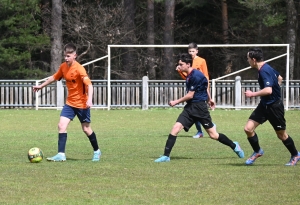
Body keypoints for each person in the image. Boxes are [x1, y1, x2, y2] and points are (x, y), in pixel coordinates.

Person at [154, 53, 244, 162]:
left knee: (214, 135)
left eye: (181, 64)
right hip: (190, 107)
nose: (179, 66)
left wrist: (175, 102)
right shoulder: (189, 74)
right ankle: (166, 156)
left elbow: (190, 95)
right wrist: (210, 99)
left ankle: (234, 145)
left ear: (188, 64)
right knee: (175, 128)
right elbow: (204, 86)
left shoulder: (196, 76)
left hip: (200, 108)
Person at [33, 43, 101, 162]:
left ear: (75, 55)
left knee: (86, 129)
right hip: (70, 103)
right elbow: (54, 77)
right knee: (61, 126)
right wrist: (41, 86)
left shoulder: (80, 69)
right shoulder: (63, 67)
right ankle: (61, 154)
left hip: (82, 104)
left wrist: (89, 99)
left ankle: (97, 151)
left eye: (68, 56)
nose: (66, 58)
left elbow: (89, 85)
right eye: (65, 56)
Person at [244, 47, 300, 166]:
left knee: (281, 135)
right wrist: (277, 88)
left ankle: (295, 154)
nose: (247, 61)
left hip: (274, 107)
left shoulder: (264, 71)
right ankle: (257, 151)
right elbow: (279, 78)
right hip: (264, 105)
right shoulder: (266, 67)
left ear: (254, 60)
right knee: (248, 129)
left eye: (248, 59)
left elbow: (268, 90)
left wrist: (252, 94)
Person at [176, 43, 216, 138]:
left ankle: (207, 127)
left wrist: (208, 91)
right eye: (189, 51)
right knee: (195, 111)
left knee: (197, 110)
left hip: (201, 88)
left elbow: (205, 76)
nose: (191, 53)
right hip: (192, 89)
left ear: (197, 51)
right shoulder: (187, 62)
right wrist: (180, 71)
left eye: (193, 51)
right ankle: (201, 130)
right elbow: (186, 77)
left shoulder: (201, 61)